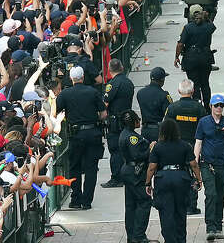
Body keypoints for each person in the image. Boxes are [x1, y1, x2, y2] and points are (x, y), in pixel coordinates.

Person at [56, 64, 106, 210]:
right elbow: (103, 114)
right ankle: (87, 201)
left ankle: (76, 199)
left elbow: (55, 111)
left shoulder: (65, 94)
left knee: (75, 167)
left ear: (71, 78)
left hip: (75, 134)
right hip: (92, 133)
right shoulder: (92, 92)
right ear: (83, 77)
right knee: (91, 168)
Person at [146, 119, 202, 243]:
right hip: (181, 178)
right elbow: (193, 164)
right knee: (180, 211)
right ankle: (181, 239)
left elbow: (152, 167)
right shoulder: (184, 145)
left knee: (166, 212)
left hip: (163, 179)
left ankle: (169, 239)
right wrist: (199, 179)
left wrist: (148, 183)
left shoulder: (158, 147)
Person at [195, 94, 224, 241]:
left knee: (220, 195)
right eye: (216, 105)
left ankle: (218, 225)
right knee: (211, 194)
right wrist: (194, 163)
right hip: (207, 164)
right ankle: (210, 227)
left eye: (221, 105)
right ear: (211, 107)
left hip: (222, 164)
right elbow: (198, 143)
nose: (219, 108)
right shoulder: (203, 122)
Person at [164, 79, 206, 215]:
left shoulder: (172, 108)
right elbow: (205, 126)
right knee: (193, 173)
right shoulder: (199, 108)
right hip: (194, 146)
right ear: (193, 91)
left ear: (179, 91)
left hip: (176, 146)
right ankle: (191, 206)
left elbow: (166, 127)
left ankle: (179, 203)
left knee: (178, 173)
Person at [118, 110, 153, 243]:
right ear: (133, 122)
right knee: (144, 201)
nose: (139, 121)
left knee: (131, 204)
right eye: (137, 119)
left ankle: (132, 236)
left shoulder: (125, 134)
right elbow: (137, 155)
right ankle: (139, 235)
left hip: (130, 171)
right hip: (135, 173)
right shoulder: (132, 137)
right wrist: (150, 149)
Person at [102, 57, 135, 188]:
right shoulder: (128, 82)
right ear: (121, 67)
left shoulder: (112, 84)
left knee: (115, 150)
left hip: (115, 121)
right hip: (127, 119)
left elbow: (105, 103)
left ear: (109, 70)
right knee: (126, 149)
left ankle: (116, 177)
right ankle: (126, 175)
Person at [176, 6, 216, 104]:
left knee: (194, 84)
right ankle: (207, 106)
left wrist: (176, 56)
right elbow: (213, 26)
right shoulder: (208, 26)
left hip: (191, 59)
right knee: (205, 84)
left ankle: (196, 103)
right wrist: (207, 18)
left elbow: (180, 44)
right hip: (206, 57)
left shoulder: (188, 28)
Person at [136, 67, 172, 144]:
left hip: (145, 130)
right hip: (158, 130)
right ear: (162, 80)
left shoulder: (140, 93)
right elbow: (169, 113)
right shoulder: (163, 95)